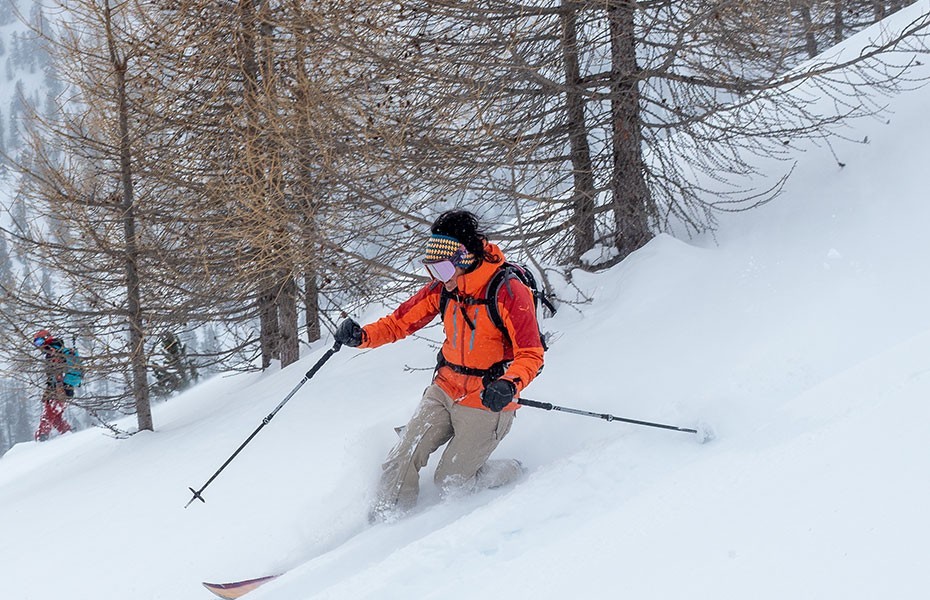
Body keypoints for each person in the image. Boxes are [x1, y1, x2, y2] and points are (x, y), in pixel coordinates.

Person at [334, 210, 545, 522]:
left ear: (467, 257)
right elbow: (399, 323)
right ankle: (384, 523)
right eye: (432, 269)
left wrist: (508, 384)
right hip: (444, 389)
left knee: (451, 481)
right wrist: (362, 337)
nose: (438, 278)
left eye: (444, 269)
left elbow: (531, 353)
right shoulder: (444, 288)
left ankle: (510, 469)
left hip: (487, 400)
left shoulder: (509, 292)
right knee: (401, 458)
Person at [32, 329, 74, 442]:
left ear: (47, 338)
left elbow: (57, 372)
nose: (39, 346)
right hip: (62, 390)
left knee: (48, 415)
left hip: (58, 390)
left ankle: (41, 438)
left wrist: (57, 390)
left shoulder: (54, 351)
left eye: (40, 342)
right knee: (56, 419)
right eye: (37, 343)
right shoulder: (56, 349)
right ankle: (69, 435)